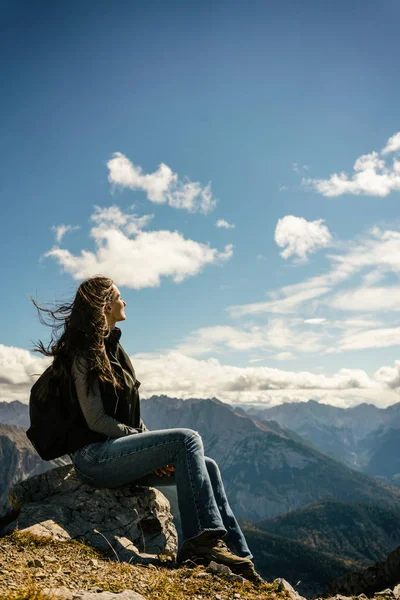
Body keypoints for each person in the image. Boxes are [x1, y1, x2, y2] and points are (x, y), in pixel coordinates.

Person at [30, 275, 264, 585]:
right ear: (106, 305)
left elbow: (132, 416)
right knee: (188, 439)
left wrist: (159, 453)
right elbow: (96, 421)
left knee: (208, 465)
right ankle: (199, 543)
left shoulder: (115, 350)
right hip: (95, 459)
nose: (125, 302)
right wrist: (151, 446)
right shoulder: (85, 354)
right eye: (120, 296)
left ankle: (242, 560)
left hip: (119, 455)